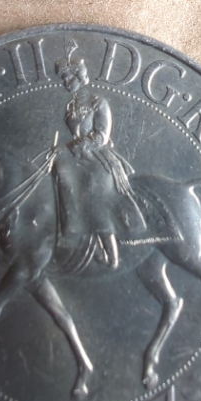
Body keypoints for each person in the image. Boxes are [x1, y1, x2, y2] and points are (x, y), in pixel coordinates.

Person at [51, 45, 147, 269]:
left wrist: (72, 147)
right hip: (76, 155)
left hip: (98, 156)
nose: (65, 82)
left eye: (68, 78)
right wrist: (61, 149)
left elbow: (101, 136)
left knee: (94, 188)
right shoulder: (70, 105)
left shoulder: (98, 103)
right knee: (59, 174)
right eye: (63, 79)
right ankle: (72, 233)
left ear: (79, 77)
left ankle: (111, 253)